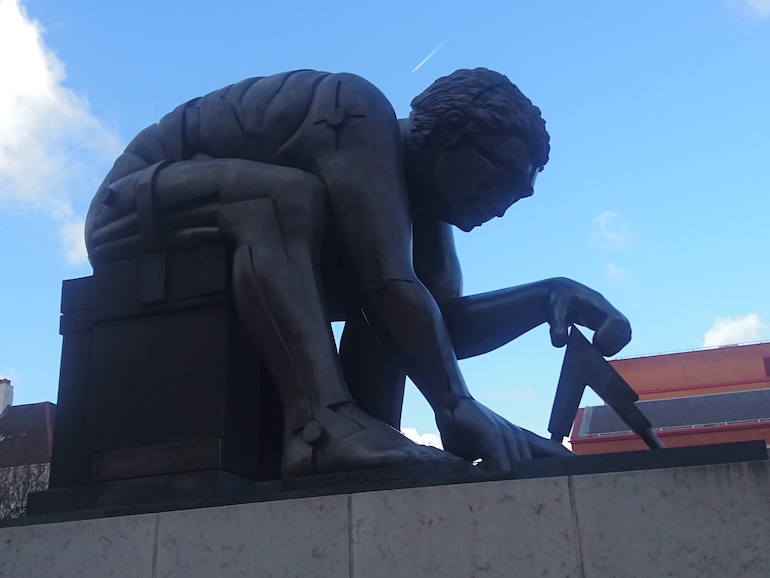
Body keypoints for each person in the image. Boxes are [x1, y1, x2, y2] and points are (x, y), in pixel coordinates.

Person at [85, 68, 631, 477]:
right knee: (282, 200)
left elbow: (440, 327)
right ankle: (319, 430)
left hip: (205, 218)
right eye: (503, 175)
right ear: (453, 131)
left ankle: (368, 429)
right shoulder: (359, 113)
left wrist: (546, 298)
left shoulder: (417, 200)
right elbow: (387, 283)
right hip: (131, 209)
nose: (505, 203)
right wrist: (456, 406)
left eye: (519, 193)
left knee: (396, 298)